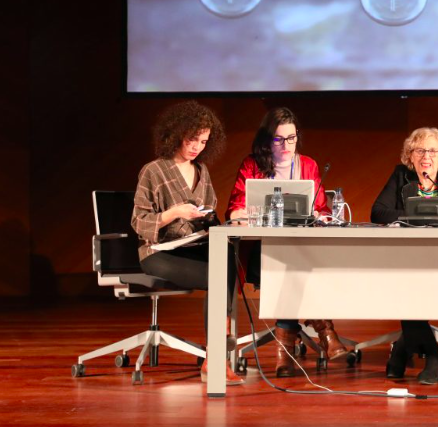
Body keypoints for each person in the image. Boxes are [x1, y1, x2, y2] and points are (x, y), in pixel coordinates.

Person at [226, 107, 347, 378]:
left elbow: (322, 211)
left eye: (291, 138)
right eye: (279, 139)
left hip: (302, 250)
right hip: (261, 253)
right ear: (267, 140)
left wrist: (319, 216)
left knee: (294, 262)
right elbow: (234, 207)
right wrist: (240, 213)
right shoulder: (251, 165)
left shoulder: (309, 165)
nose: (286, 145)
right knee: (290, 265)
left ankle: (286, 351)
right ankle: (325, 331)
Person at [131, 100, 243, 385]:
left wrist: (210, 219)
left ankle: (214, 357)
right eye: (192, 140)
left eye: (203, 142)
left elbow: (209, 211)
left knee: (229, 264)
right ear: (177, 134)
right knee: (219, 277)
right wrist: (174, 213)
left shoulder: (201, 171)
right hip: (158, 251)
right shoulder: (153, 171)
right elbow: (139, 222)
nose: (197, 147)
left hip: (192, 246)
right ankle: (215, 358)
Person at [370, 127, 438, 384]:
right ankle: (434, 353)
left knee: (410, 288)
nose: (426, 156)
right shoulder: (400, 175)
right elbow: (378, 212)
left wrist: (436, 219)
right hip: (407, 255)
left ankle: (405, 349)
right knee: (407, 284)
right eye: (419, 151)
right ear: (410, 156)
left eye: (432, 151)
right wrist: (417, 218)